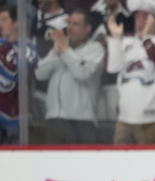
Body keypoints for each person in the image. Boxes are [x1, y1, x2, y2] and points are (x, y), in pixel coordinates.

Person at [106, 0, 155, 145]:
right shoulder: (126, 40)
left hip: (151, 119)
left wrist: (146, 38)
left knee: (148, 166)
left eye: (146, 17)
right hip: (124, 118)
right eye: (138, 16)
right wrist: (116, 39)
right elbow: (113, 68)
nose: (141, 21)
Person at [34, 10, 105, 144]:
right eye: (69, 24)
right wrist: (55, 50)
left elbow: (82, 73)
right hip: (54, 119)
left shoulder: (95, 49)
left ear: (87, 28)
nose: (70, 28)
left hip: (81, 121)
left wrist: (66, 50)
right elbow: (40, 74)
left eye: (76, 24)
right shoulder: (61, 47)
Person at [0, 6, 38, 144]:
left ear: (16, 23)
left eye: (4, 19)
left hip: (16, 121)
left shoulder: (27, 49)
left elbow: (15, 74)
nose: (0, 23)